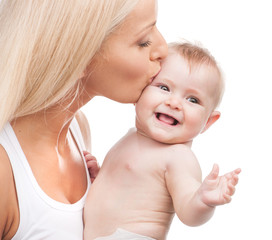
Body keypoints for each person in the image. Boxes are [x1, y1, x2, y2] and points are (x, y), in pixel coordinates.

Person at [0, 0, 168, 239]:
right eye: (143, 42)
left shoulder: (78, 130)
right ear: (77, 56)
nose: (164, 50)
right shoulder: (4, 170)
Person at [84, 42, 241, 240]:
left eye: (193, 100)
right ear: (139, 91)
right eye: (164, 87)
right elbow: (124, 192)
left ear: (208, 122)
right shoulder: (130, 137)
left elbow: (188, 210)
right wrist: (97, 179)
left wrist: (203, 200)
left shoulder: (178, 156)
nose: (174, 103)